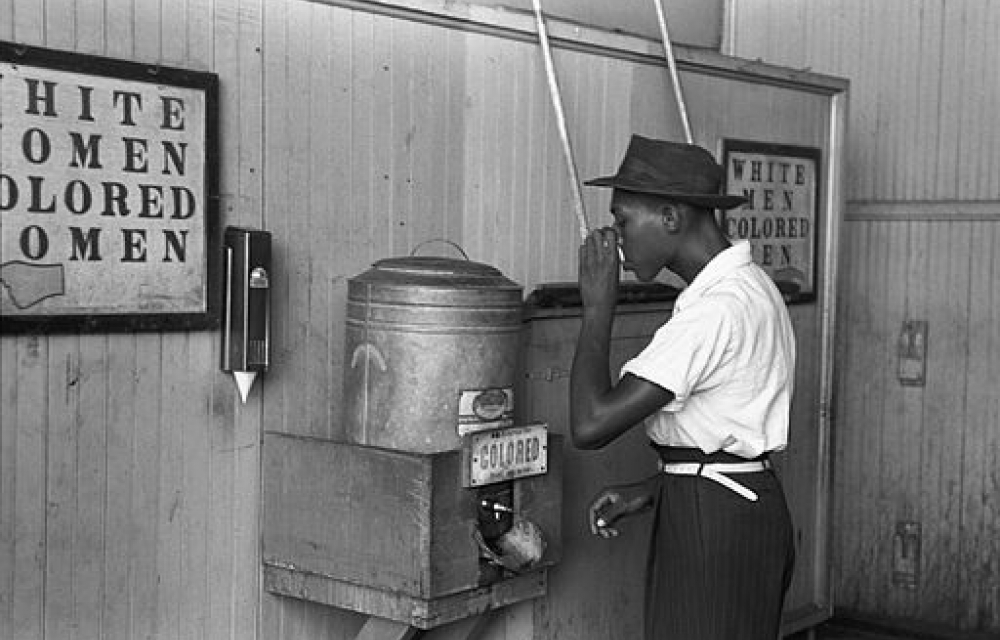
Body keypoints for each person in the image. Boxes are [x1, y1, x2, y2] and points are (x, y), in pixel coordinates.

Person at [570, 134, 796, 640]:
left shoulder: (718, 309)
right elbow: (728, 433)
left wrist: (597, 309)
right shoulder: (749, 287)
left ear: (671, 218)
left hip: (714, 526)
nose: (616, 236)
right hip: (736, 505)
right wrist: (655, 491)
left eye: (623, 220)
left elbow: (591, 424)